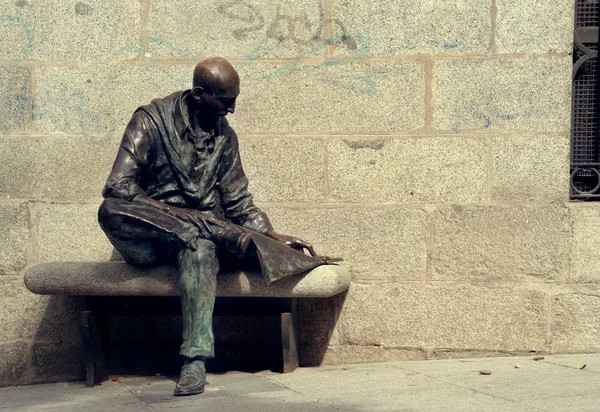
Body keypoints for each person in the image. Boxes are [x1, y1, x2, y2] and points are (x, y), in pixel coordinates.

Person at [98, 57, 332, 396]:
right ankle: (218, 233)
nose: (231, 109)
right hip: (150, 235)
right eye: (225, 101)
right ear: (198, 95)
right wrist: (177, 215)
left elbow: (238, 200)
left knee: (199, 248)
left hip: (199, 241)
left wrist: (270, 235)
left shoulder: (225, 137)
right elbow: (118, 186)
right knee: (109, 210)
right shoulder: (149, 122)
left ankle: (194, 361)